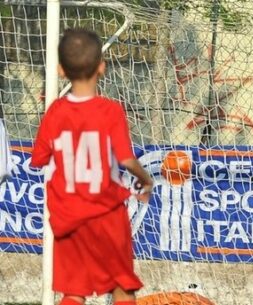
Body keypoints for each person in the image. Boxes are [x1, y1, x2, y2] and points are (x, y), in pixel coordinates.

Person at [31, 28, 154, 305]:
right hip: (106, 213)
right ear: (102, 66)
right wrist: (146, 179)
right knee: (122, 286)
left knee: (74, 292)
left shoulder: (55, 112)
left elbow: (39, 158)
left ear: (61, 70)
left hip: (69, 214)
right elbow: (125, 159)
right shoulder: (110, 110)